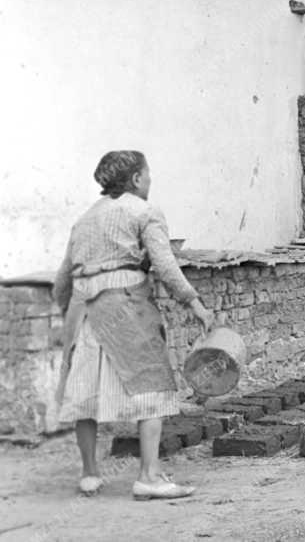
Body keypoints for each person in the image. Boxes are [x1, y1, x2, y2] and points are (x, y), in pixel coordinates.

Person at [53, 151, 214, 499]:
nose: (151, 180)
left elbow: (62, 281)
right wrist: (194, 303)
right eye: (148, 174)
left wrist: (68, 311)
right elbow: (165, 266)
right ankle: (149, 476)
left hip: (84, 313)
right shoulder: (145, 212)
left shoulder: (83, 220)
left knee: (85, 390)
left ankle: (90, 474)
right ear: (137, 179)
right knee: (152, 384)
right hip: (126, 305)